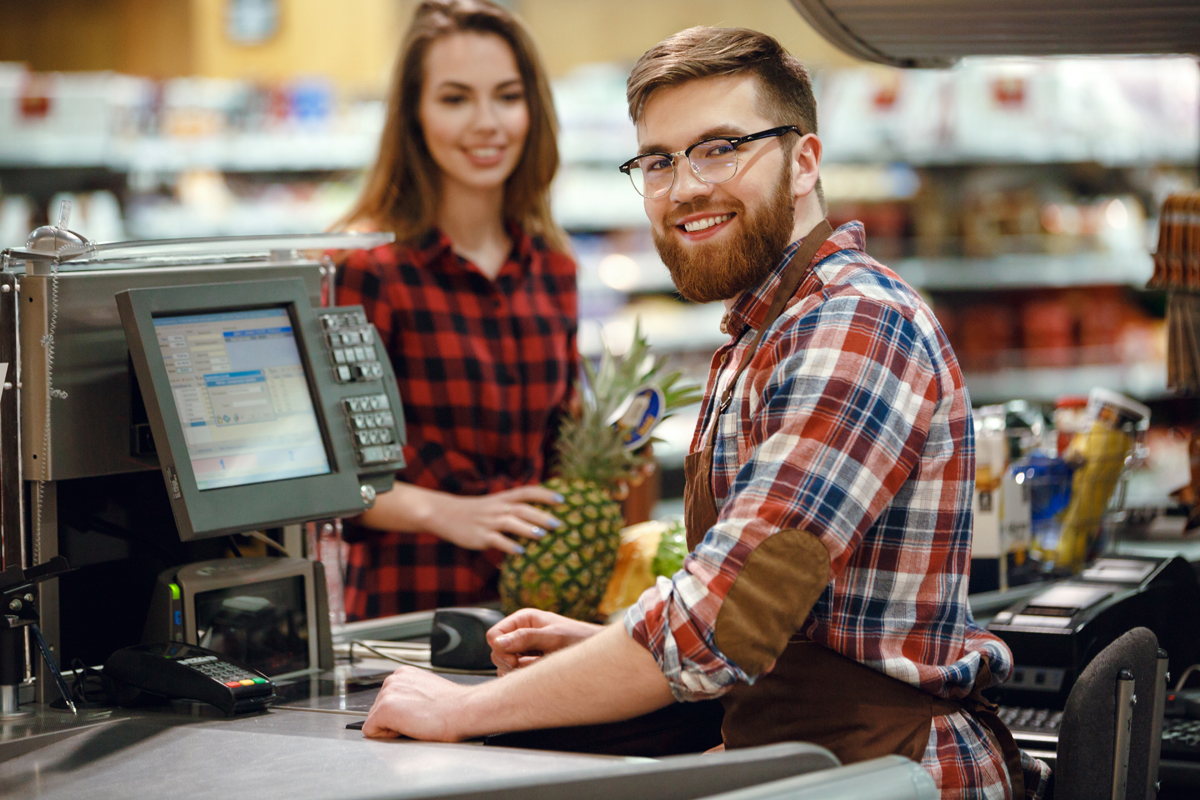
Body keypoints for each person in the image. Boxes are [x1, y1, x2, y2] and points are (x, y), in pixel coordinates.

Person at [360, 26, 1051, 800]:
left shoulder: (853, 326)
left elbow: (724, 616)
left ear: (805, 162)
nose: (685, 186)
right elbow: (769, 624)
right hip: (809, 751)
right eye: (658, 161)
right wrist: (605, 651)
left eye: (721, 147)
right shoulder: (765, 329)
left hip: (893, 775)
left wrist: (462, 710)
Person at [334, 0, 577, 619]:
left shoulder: (554, 267)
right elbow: (334, 474)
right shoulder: (368, 270)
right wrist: (448, 512)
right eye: (455, 98)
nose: (488, 122)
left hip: (535, 608)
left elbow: (558, 450)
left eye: (507, 96)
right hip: (407, 619)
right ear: (413, 116)